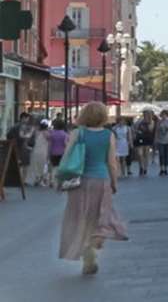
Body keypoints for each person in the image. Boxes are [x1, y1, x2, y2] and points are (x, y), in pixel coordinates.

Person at [58, 101, 128, 275]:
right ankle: (93, 244)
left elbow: (66, 157)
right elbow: (112, 162)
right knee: (101, 215)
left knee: (79, 216)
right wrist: (114, 182)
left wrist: (60, 178)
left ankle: (85, 252)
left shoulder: (77, 133)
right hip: (100, 179)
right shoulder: (108, 135)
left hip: (78, 181)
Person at [27, 119, 50, 186]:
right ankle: (40, 180)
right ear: (46, 127)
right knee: (42, 166)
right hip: (43, 151)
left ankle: (35, 179)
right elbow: (50, 141)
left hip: (35, 151)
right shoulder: (47, 133)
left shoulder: (36, 132)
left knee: (35, 166)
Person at [133, 110, 156, 176]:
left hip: (147, 139)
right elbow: (134, 128)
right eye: (144, 114)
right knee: (140, 154)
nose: (145, 115)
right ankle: (141, 167)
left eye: (147, 114)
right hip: (140, 139)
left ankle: (145, 168)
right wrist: (137, 131)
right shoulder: (139, 121)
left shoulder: (152, 122)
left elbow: (151, 130)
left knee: (146, 154)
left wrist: (148, 123)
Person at [48, 119, 68, 187]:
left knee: (53, 167)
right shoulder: (64, 134)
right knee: (61, 168)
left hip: (53, 153)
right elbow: (65, 144)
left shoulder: (52, 133)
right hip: (62, 153)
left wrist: (48, 153)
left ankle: (51, 181)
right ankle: (60, 182)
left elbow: (50, 144)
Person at [154, 110, 168, 175]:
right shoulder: (159, 122)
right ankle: (161, 169)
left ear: (166, 115)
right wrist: (155, 139)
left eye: (165, 115)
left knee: (166, 155)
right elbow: (156, 131)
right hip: (160, 141)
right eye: (162, 115)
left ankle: (165, 168)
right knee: (161, 154)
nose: (163, 116)